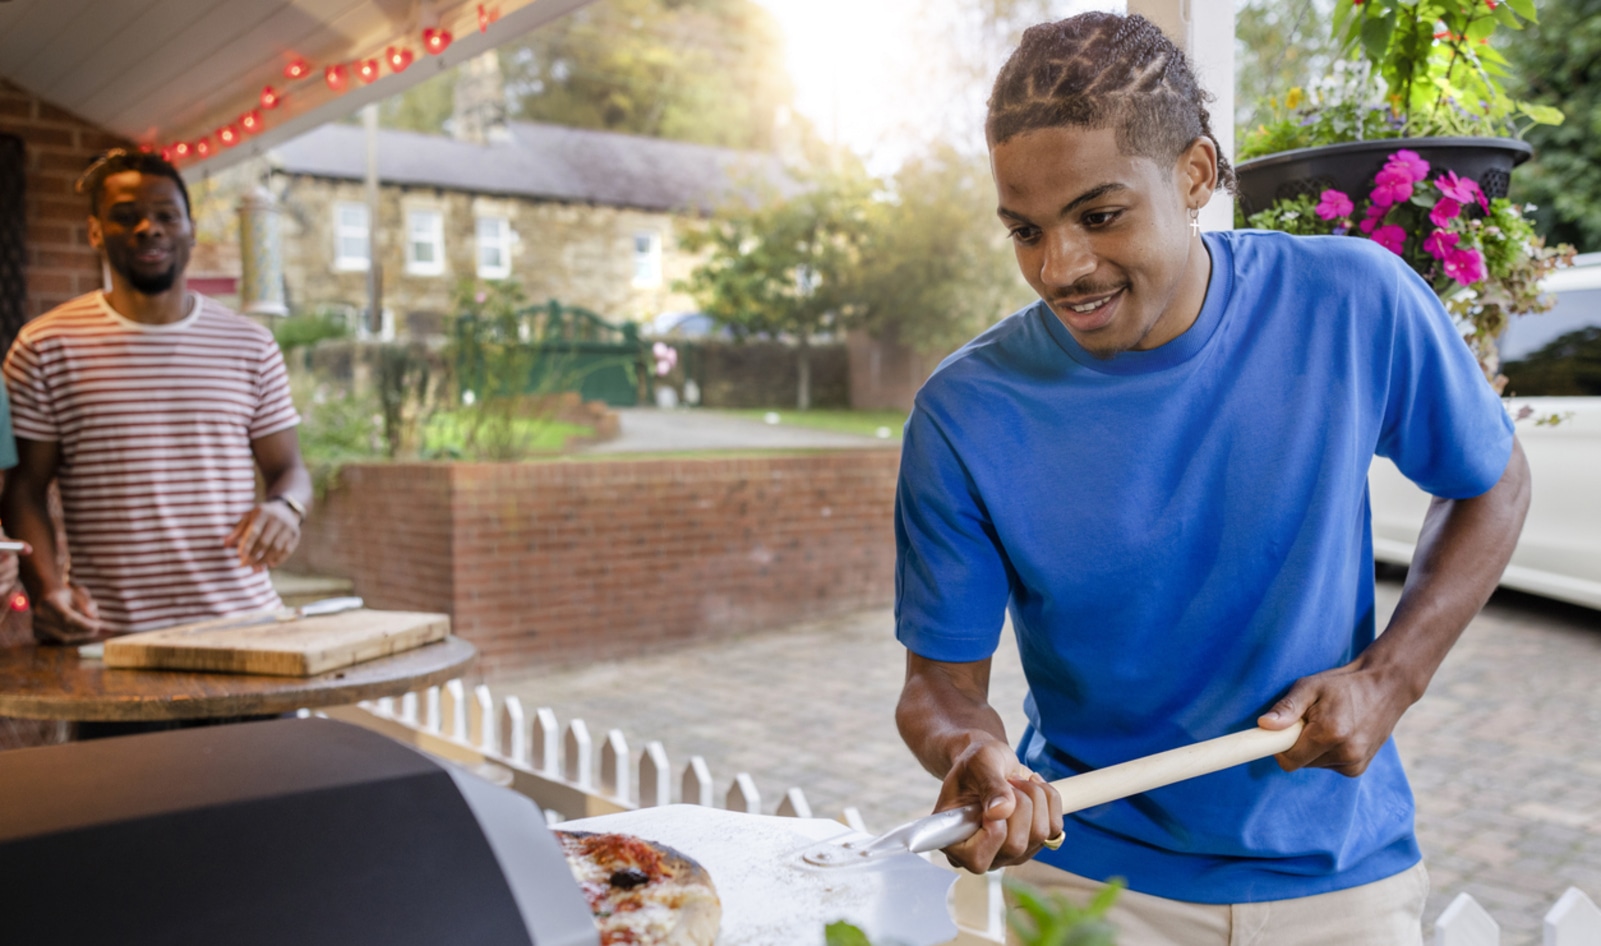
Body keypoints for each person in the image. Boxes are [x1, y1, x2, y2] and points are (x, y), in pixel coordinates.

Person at [893, 13, 1529, 945]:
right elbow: (937, 687)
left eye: (1098, 216)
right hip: (1085, 881)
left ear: (1193, 174)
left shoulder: (1353, 301)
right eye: (1025, 230)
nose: (1059, 268)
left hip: (1336, 877)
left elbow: (1493, 482)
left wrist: (1391, 677)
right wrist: (968, 749)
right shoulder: (964, 412)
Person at [1, 149, 311, 645]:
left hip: (247, 632)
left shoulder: (251, 344)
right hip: (111, 642)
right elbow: (24, 490)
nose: (149, 227)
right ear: (95, 232)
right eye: (126, 216)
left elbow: (290, 470)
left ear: (190, 228)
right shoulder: (45, 346)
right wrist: (47, 591)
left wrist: (286, 508)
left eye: (167, 215)